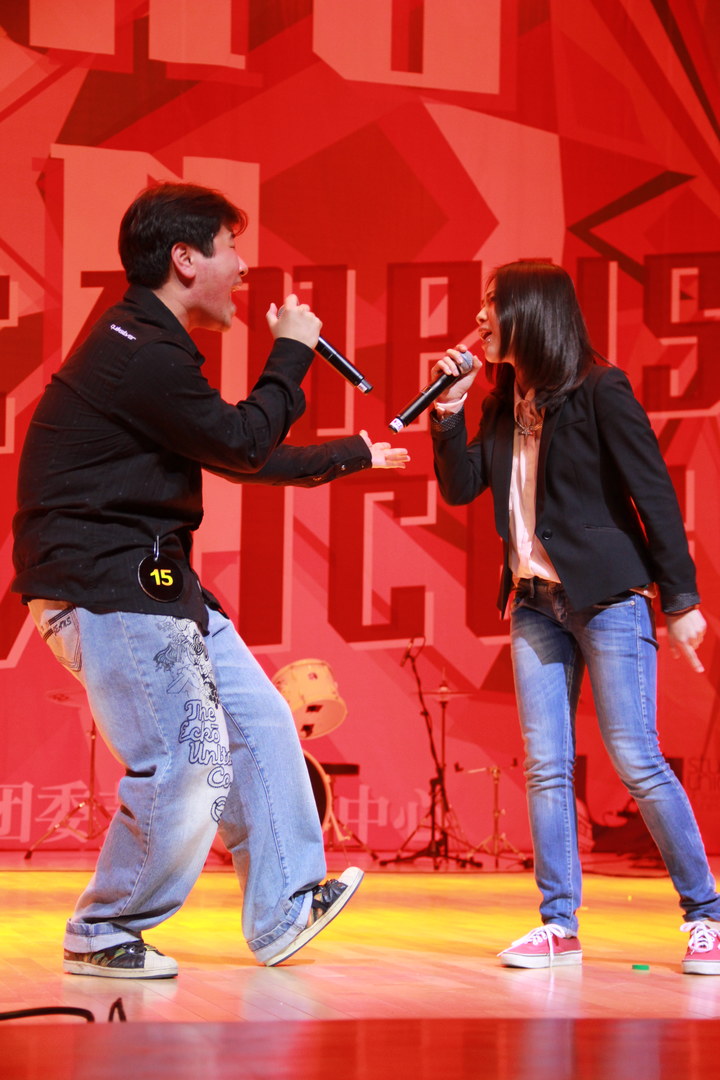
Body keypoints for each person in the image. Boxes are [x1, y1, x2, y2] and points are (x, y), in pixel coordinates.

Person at [12, 181, 409, 979]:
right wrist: (292, 351)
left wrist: (354, 453)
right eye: (232, 248)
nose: (244, 266)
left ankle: (285, 906)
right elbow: (241, 443)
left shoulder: (142, 346)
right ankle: (104, 928)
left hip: (157, 584)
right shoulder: (137, 349)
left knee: (261, 724)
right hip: (110, 588)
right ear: (185, 259)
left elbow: (234, 447)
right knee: (188, 759)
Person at [429, 259, 720, 974]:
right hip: (533, 603)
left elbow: (653, 493)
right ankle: (558, 924)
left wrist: (680, 599)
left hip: (608, 598)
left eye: (493, 303)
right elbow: (463, 486)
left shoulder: (600, 389)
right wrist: (448, 411)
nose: (480, 317)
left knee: (636, 757)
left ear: (531, 312)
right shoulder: (502, 401)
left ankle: (707, 915)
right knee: (547, 767)